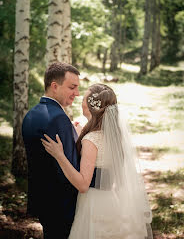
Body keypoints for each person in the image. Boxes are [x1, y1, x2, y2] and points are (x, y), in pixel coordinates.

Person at [41, 83, 153, 239]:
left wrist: (59, 155)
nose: (81, 99)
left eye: (85, 98)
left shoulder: (92, 139)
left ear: (90, 105)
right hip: (111, 201)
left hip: (93, 206)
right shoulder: (114, 135)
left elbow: (83, 184)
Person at [22, 62, 96, 239]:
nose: (77, 94)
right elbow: (71, 166)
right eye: (72, 87)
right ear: (54, 86)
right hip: (62, 204)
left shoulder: (32, 114)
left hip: (42, 199)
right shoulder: (58, 119)